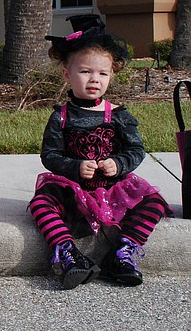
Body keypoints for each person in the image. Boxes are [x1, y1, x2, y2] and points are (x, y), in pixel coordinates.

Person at [28, 15, 172, 289]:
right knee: (41, 204)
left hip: (113, 188)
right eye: (85, 72)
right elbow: (50, 155)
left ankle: (122, 253)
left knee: (154, 203)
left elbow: (136, 150)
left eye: (102, 73)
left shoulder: (118, 115)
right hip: (74, 188)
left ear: (111, 76)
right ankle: (69, 253)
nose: (94, 79)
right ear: (67, 74)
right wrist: (74, 166)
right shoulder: (61, 116)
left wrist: (118, 164)